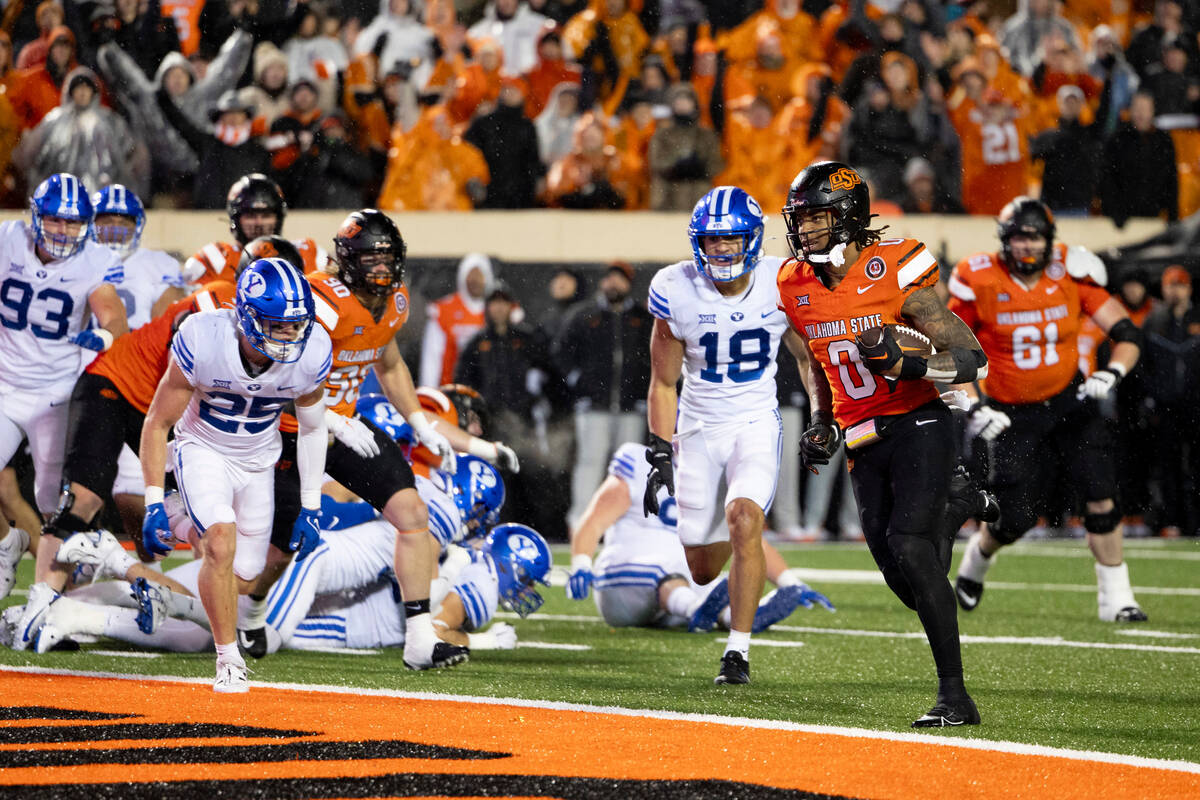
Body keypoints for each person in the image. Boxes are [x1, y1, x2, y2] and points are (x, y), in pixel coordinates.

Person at [777, 161, 989, 727]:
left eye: (817, 218)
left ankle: (955, 698)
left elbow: (971, 356)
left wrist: (910, 364)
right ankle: (961, 505)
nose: (805, 230)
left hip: (919, 419)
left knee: (912, 547)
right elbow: (813, 360)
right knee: (907, 578)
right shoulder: (793, 283)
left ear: (847, 216)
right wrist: (823, 419)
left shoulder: (892, 266)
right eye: (800, 219)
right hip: (862, 435)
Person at [259, 210, 490, 673]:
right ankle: (246, 614)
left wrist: (420, 422)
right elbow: (282, 376)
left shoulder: (395, 301)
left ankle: (419, 640)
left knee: (411, 512)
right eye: (370, 258)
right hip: (289, 427)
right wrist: (330, 421)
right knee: (276, 550)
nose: (381, 268)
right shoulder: (322, 302)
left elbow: (389, 365)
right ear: (347, 261)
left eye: (388, 256)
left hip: (345, 427)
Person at [138, 257, 333, 692]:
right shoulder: (204, 338)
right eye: (277, 325)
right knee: (221, 545)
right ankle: (229, 660)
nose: (290, 336)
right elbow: (157, 423)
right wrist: (150, 497)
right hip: (202, 448)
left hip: (259, 459)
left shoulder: (314, 349)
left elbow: (315, 427)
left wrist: (311, 506)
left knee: (244, 580)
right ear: (245, 316)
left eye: (296, 325)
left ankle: (182, 518)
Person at [949, 196, 1147, 622]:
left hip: (1067, 400)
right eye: (1018, 238)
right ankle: (976, 562)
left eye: (1034, 237)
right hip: (1009, 411)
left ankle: (1118, 599)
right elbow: (950, 346)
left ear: (1049, 241)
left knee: (1100, 492)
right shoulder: (978, 277)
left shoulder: (1071, 270)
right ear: (1004, 241)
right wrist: (973, 404)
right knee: (1015, 517)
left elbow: (1128, 333)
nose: (1026, 247)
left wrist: (1112, 372)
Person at [644, 185, 810, 686]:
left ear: (753, 240)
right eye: (712, 239)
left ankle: (737, 651)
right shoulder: (675, 286)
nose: (721, 249)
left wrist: (825, 417)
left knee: (744, 520)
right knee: (699, 567)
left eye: (732, 239)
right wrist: (658, 448)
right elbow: (663, 382)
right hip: (697, 427)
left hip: (756, 419)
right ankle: (731, 565)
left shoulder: (780, 281)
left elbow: (806, 358)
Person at [0, 173, 129, 647]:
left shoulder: (95, 259)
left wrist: (106, 334)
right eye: (54, 219)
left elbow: (110, 308)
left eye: (73, 223)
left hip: (56, 393)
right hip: (3, 383)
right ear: (34, 217)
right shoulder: (7, 240)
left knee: (58, 507)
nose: (62, 231)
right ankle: (6, 546)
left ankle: (54, 601)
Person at [568, 441, 832, 632]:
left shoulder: (714, 477)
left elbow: (747, 539)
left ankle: (730, 618)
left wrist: (791, 582)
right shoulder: (638, 460)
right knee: (666, 573)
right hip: (624, 582)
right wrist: (581, 564)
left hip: (679, 586)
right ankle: (699, 611)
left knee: (717, 581)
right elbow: (593, 522)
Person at [557, 260, 651, 530]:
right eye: (610, 278)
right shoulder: (584, 315)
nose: (614, 283)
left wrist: (644, 390)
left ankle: (625, 522)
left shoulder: (641, 319)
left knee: (629, 467)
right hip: (593, 405)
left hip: (631, 406)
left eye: (620, 279)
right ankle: (580, 522)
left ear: (629, 284)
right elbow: (561, 352)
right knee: (590, 463)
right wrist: (576, 381)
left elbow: (653, 357)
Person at [182, 173, 327, 287]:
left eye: (266, 215)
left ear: (279, 218)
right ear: (236, 219)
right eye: (251, 215)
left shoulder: (309, 253)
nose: (259, 223)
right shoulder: (214, 259)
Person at [419, 254, 494, 388]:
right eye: (471, 274)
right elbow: (431, 358)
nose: (475, 280)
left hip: (487, 393)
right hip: (450, 389)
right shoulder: (445, 310)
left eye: (480, 275)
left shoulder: (496, 309)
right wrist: (429, 391)